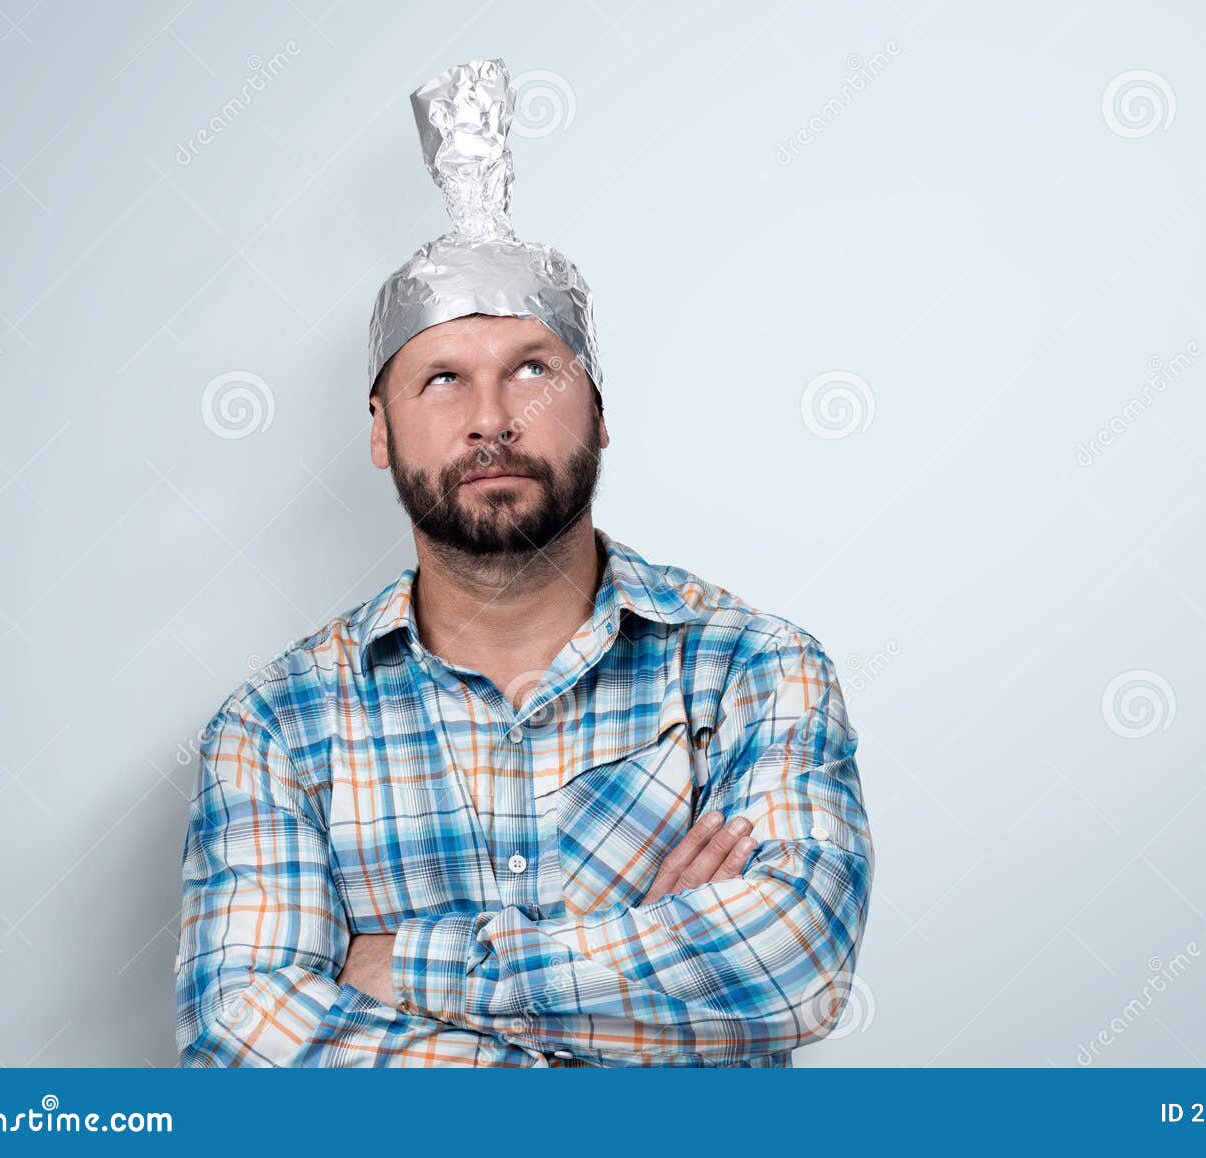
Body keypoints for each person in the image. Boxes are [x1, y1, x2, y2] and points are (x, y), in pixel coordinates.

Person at [174, 59, 872, 1068]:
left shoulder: (754, 671)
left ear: (599, 410)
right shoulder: (278, 729)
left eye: (533, 371)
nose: (491, 420)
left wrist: (409, 971)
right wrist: (653, 1019)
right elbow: (244, 1054)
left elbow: (792, 970)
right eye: (443, 379)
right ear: (381, 428)